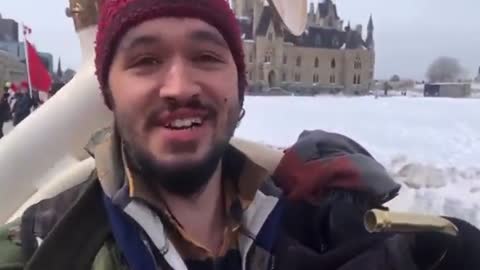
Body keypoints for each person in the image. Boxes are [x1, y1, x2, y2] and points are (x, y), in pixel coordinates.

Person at [1, 1, 479, 269]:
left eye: (207, 57)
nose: (180, 86)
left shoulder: (318, 222)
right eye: (145, 60)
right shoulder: (39, 248)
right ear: (108, 91)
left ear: (238, 81)